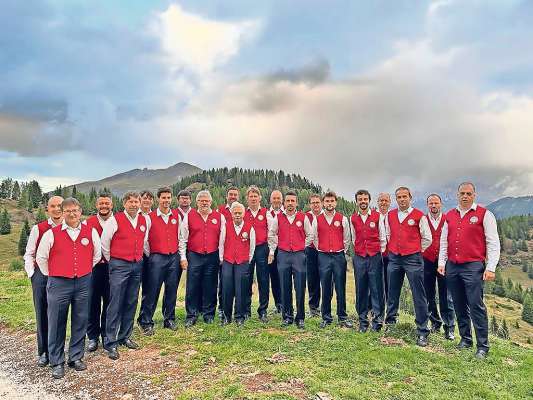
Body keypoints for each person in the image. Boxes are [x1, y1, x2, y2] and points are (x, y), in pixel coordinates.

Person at [36, 198, 101, 379]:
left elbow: (96, 256)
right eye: (68, 211)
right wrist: (55, 274)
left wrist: (82, 271)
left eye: (75, 210)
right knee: (56, 322)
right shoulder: (51, 234)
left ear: (81, 211)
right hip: (58, 283)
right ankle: (57, 361)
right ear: (62, 213)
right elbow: (41, 258)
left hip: (83, 282)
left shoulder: (91, 232)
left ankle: (76, 357)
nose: (72, 214)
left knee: (81, 319)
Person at [438, 182, 500, 359]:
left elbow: (493, 243)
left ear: (474, 195)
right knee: (458, 304)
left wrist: (490, 267)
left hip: (473, 266)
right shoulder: (449, 216)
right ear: (457, 195)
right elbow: (444, 242)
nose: (465, 196)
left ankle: (483, 346)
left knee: (476, 305)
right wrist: (442, 263)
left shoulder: (484, 214)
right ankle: (465, 339)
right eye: (462, 193)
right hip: (453, 266)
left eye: (468, 193)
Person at [101, 191, 148, 360]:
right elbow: (105, 244)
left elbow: (144, 241)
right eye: (131, 202)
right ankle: (110, 342)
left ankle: (125, 336)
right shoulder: (115, 220)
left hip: (137, 264)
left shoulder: (144, 220)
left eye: (137, 201)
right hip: (119, 264)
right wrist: (114, 261)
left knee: (131, 300)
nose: (135, 204)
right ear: (125, 203)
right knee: (115, 302)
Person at [383, 187, 432, 346]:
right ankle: (390, 322)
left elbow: (427, 238)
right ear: (396, 199)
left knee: (418, 293)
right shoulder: (390, 215)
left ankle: (423, 330)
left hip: (413, 258)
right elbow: (388, 234)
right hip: (395, 258)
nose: (402, 199)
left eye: (405, 196)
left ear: (410, 197)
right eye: (399, 197)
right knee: (392, 291)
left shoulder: (419, 216)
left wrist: (416, 251)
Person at [23, 195, 64, 367]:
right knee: (42, 313)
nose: (56, 209)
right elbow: (29, 254)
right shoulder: (38, 229)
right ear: (47, 208)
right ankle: (44, 352)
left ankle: (58, 350)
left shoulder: (70, 228)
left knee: (59, 315)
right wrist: (32, 273)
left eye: (60, 206)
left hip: (61, 277)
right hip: (41, 276)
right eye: (53, 206)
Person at [137, 187, 181, 334]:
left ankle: (169, 319)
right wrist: (153, 254)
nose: (166, 201)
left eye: (169, 198)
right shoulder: (149, 218)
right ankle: (146, 321)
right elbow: (144, 241)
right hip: (156, 258)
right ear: (158, 199)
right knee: (152, 290)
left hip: (173, 257)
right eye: (164, 198)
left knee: (171, 289)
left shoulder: (176, 216)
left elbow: (180, 237)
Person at [180, 190, 225, 327]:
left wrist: (221, 257)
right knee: (192, 286)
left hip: (212, 255)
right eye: (201, 200)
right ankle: (191, 315)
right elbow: (183, 239)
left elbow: (222, 239)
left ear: (211, 202)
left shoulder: (219, 217)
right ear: (197, 202)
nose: (204, 203)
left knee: (210, 285)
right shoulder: (189, 216)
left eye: (207, 200)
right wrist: (183, 257)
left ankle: (209, 314)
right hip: (194, 255)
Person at [268, 191, 313, 329]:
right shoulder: (278, 218)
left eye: (293, 201)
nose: (290, 203)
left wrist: (301, 246)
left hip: (299, 255)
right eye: (287, 201)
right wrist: (278, 245)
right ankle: (287, 317)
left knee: (299, 287)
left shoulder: (303, 217)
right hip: (283, 255)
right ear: (284, 203)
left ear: (296, 203)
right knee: (285, 286)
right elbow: (271, 234)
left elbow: (310, 235)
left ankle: (300, 318)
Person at [313, 191, 353, 328]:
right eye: (327, 201)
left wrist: (341, 250)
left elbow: (347, 238)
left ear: (335, 202)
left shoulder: (342, 219)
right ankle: (326, 317)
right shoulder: (317, 219)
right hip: (323, 256)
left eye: (332, 201)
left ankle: (342, 317)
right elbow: (315, 238)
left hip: (338, 256)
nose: (329, 204)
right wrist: (322, 249)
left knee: (340, 287)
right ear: (323, 203)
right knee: (325, 287)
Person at [350, 190, 387, 332]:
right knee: (361, 288)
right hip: (360, 257)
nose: (363, 201)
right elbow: (354, 238)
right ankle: (363, 321)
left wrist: (377, 253)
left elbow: (382, 238)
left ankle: (377, 321)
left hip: (375, 256)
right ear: (357, 201)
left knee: (377, 288)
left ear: (369, 200)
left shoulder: (377, 217)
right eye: (360, 199)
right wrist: (360, 251)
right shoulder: (353, 218)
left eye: (365, 198)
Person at [423, 194, 455, 340]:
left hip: (444, 262)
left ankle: (449, 327)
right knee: (428, 294)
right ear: (427, 205)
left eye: (436, 203)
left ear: (441, 204)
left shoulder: (448, 219)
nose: (433, 206)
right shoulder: (422, 220)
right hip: (426, 261)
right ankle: (435, 322)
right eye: (431, 203)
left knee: (446, 296)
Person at [85, 193, 113, 352]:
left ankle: (107, 335)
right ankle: (93, 337)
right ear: (96, 206)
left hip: (112, 268)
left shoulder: (117, 221)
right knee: (92, 303)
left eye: (106, 203)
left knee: (110, 303)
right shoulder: (88, 223)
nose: (104, 206)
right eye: (101, 203)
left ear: (111, 205)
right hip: (93, 268)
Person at [220, 202, 255, 326]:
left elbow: (252, 247)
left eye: (240, 213)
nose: (237, 215)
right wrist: (222, 259)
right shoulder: (226, 226)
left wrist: (248, 259)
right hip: (228, 261)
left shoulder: (249, 228)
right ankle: (226, 316)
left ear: (244, 214)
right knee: (227, 289)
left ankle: (239, 316)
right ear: (231, 214)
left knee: (241, 290)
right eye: (235, 213)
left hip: (243, 262)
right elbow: (221, 243)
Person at [243, 186, 272, 322]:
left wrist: (271, 251)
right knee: (246, 279)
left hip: (262, 249)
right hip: (247, 249)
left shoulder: (266, 213)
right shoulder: (243, 213)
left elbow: (272, 233)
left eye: (255, 196)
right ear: (247, 198)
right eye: (251, 196)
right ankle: (246, 310)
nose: (253, 198)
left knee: (263, 280)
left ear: (260, 198)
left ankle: (263, 311)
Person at [216, 186, 240, 319]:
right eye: (231, 194)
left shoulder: (241, 210)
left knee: (238, 283)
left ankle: (239, 309)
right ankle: (222, 308)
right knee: (223, 282)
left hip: (239, 254)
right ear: (227, 196)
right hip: (225, 254)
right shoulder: (220, 211)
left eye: (235, 195)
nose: (233, 197)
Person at [305, 194, 323, 317]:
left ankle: (325, 307)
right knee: (312, 280)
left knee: (327, 280)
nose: (315, 205)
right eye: (313, 203)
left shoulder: (326, 215)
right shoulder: (306, 216)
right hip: (310, 251)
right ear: (310, 204)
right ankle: (313, 308)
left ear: (321, 203)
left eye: (317, 202)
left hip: (325, 251)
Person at [268, 190, 284, 313]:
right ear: (270, 200)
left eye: (279, 198)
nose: (276, 200)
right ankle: (278, 304)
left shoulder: (287, 213)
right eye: (274, 198)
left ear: (282, 199)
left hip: (284, 248)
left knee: (284, 276)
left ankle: (285, 303)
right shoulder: (266, 214)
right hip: (270, 249)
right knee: (274, 276)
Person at [377, 192, 391, 300]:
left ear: (390, 202)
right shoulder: (373, 216)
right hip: (376, 255)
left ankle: (390, 309)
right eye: (381, 200)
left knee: (390, 282)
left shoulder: (394, 216)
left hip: (391, 255)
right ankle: (372, 308)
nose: (383, 203)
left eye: (386, 200)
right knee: (375, 282)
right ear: (377, 202)